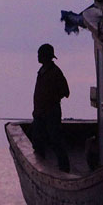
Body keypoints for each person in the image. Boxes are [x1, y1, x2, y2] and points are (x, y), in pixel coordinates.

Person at [32, 43, 70, 173]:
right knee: (37, 140)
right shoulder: (41, 72)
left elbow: (66, 91)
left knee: (55, 140)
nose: (37, 57)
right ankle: (40, 167)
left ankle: (64, 169)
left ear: (46, 56)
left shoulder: (55, 72)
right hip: (39, 113)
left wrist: (51, 99)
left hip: (51, 113)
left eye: (39, 54)